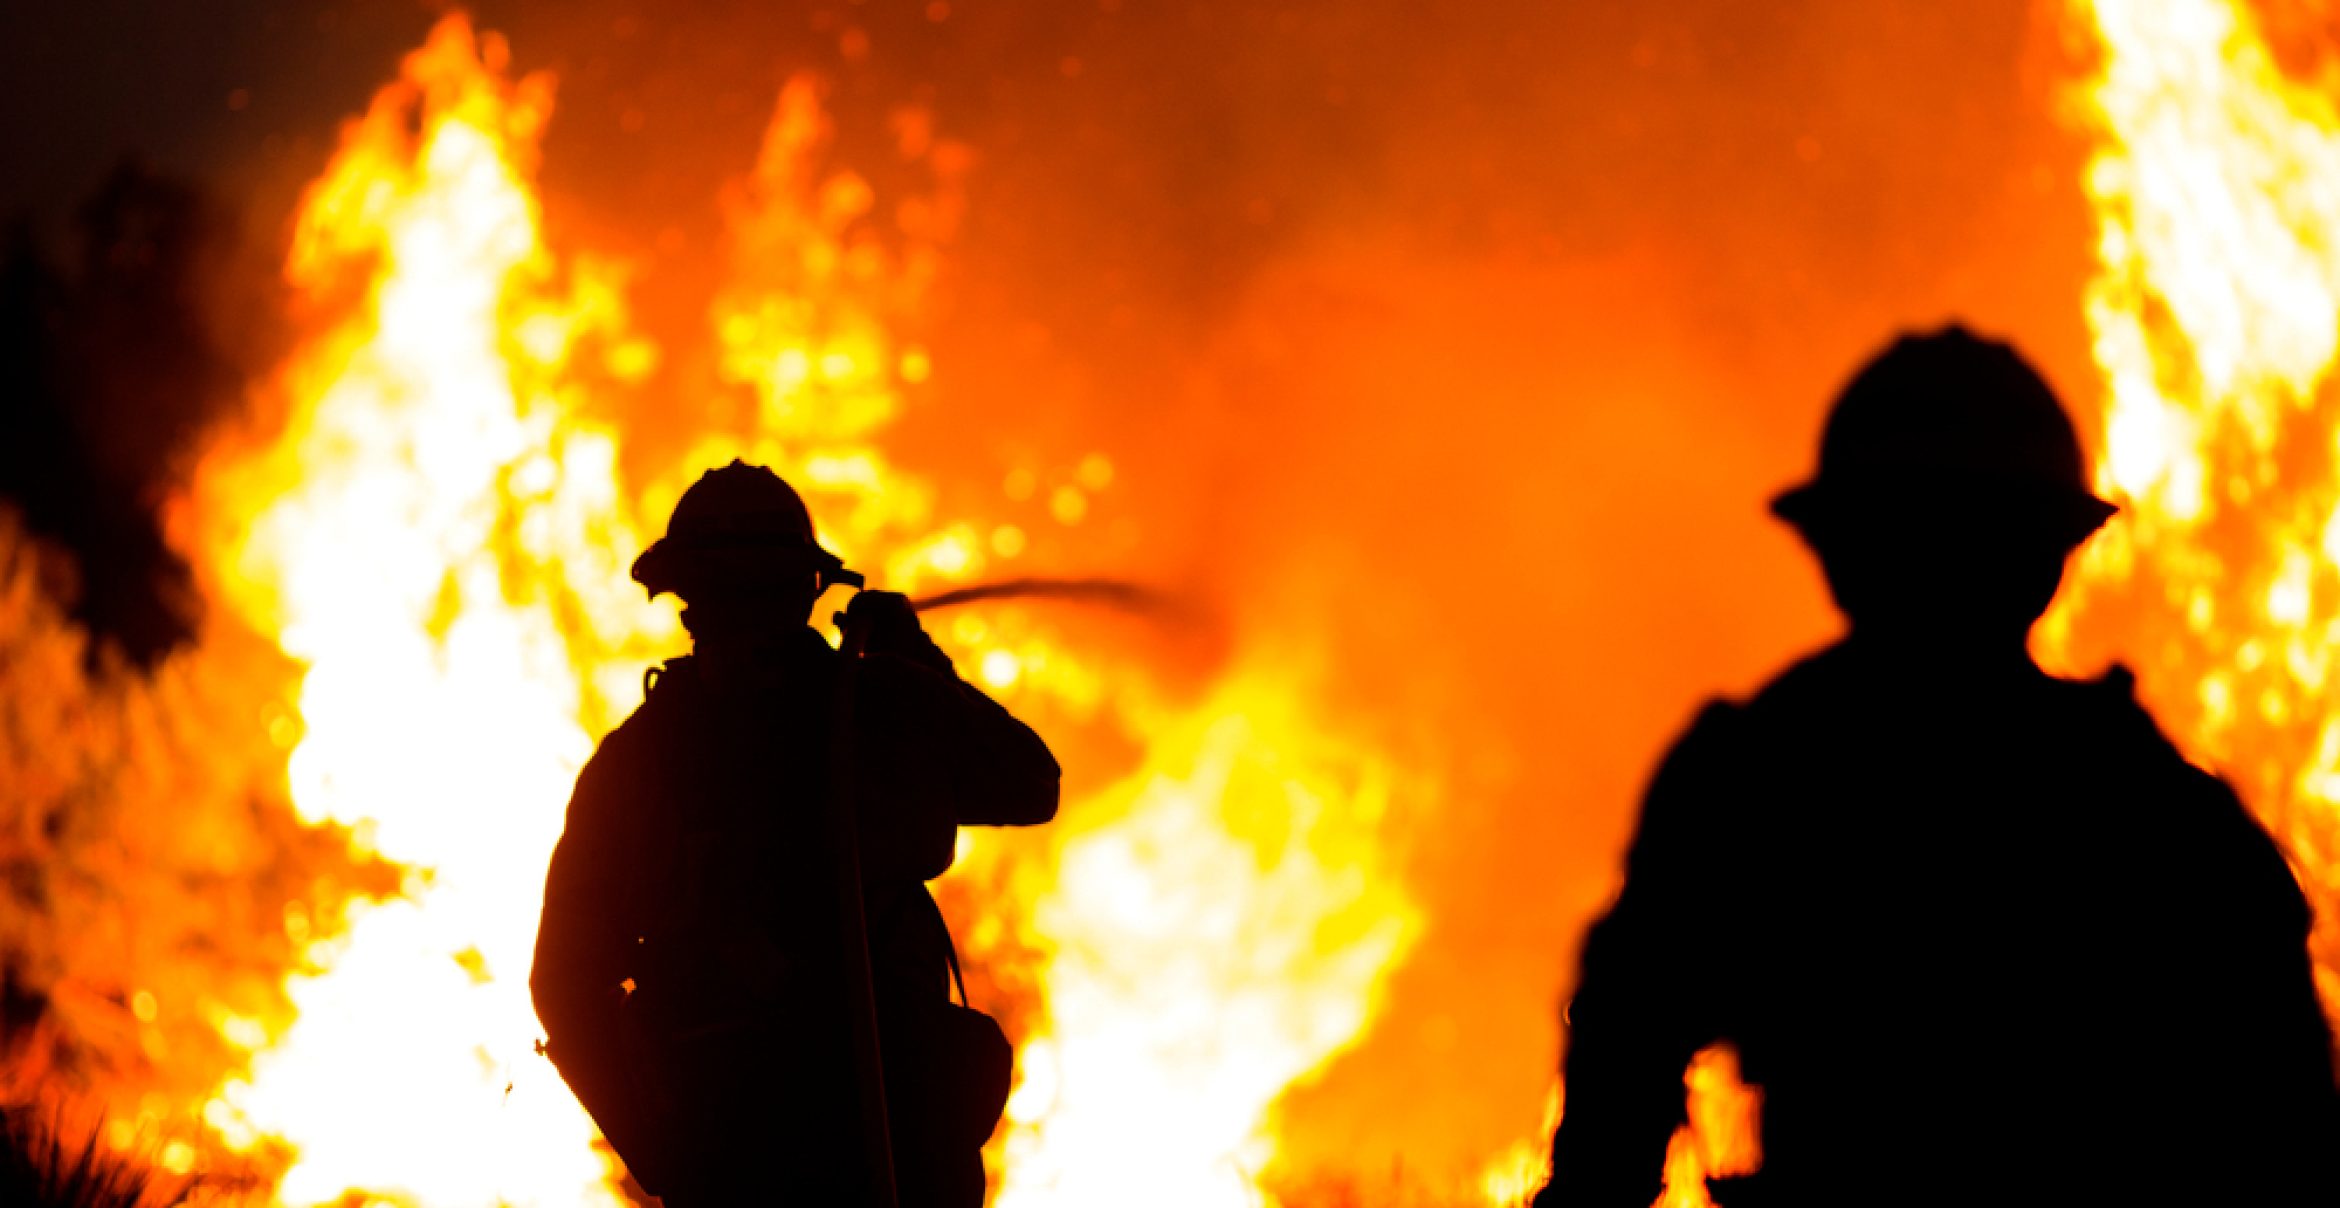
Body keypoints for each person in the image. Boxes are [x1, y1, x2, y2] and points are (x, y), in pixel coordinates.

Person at [1535, 327, 2340, 1207]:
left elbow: (1625, 1050)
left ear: (1837, 552)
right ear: (2051, 557)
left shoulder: (1754, 782)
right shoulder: (2155, 813)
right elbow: (2290, 1134)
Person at [532, 460, 1059, 1207]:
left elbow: (563, 982)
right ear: (809, 591)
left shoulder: (641, 762)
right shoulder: (876, 707)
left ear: (686, 601)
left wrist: (667, 1151)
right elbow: (1030, 783)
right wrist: (916, 665)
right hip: (876, 1151)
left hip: (800, 1153)